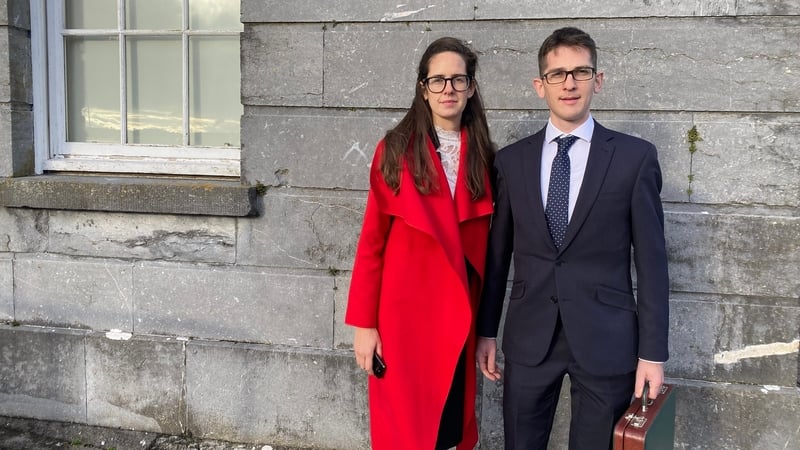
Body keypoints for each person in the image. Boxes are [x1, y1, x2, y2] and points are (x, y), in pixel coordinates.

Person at [476, 27, 670, 449]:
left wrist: (653, 354)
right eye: (558, 73)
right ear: (539, 85)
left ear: (597, 81)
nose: (569, 83)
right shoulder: (511, 161)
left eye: (581, 72)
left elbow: (653, 263)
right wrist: (486, 331)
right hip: (530, 337)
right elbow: (498, 255)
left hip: (608, 339)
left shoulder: (634, 158)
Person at [345, 37, 495, 450]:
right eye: (438, 80)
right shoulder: (394, 151)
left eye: (458, 80)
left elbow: (489, 253)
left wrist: (487, 330)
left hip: (457, 318)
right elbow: (372, 242)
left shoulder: (484, 156)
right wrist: (365, 324)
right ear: (423, 87)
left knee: (447, 428)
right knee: (406, 431)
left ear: (471, 88)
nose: (448, 89)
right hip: (402, 320)